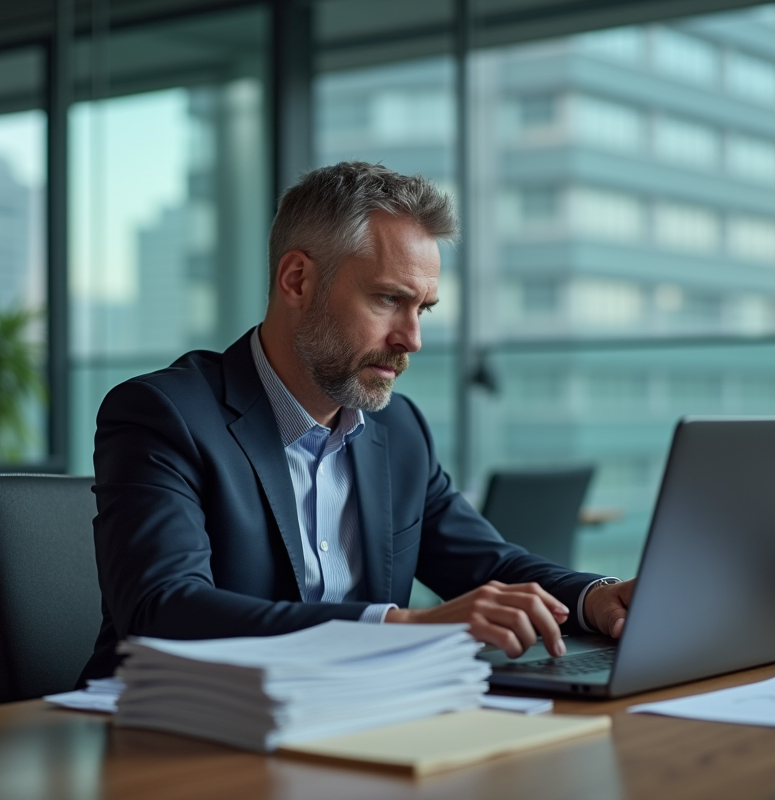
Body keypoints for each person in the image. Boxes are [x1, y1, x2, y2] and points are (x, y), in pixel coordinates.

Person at [79, 161, 635, 683]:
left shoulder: (399, 430)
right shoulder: (163, 415)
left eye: (423, 309)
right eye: (389, 299)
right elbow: (163, 611)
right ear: (297, 280)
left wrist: (594, 598)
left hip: (354, 715)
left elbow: (488, 563)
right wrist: (402, 627)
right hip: (173, 725)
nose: (412, 339)